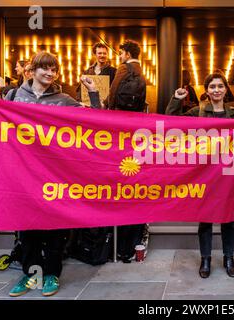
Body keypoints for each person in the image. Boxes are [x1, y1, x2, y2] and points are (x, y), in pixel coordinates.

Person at [0, 51, 100, 297]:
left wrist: (94, 92)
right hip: (21, 179)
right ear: (31, 71)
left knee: (56, 228)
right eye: (45, 68)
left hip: (55, 176)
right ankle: (30, 274)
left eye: (54, 69)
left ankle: (52, 274)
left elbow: (96, 122)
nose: (50, 73)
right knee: (27, 229)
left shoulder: (65, 99)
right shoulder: (12, 97)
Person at [166, 70, 234, 278]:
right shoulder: (196, 112)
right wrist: (176, 99)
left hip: (228, 173)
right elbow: (170, 122)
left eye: (220, 86)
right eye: (212, 87)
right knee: (205, 218)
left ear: (225, 89)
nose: (216, 90)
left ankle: (228, 258)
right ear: (206, 91)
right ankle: (205, 259)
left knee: (228, 219)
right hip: (205, 174)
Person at [104, 39, 148, 262]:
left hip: (119, 121)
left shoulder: (124, 68)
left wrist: (109, 110)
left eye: (120, 52)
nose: (119, 56)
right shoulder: (141, 71)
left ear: (126, 53)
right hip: (136, 122)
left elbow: (113, 93)